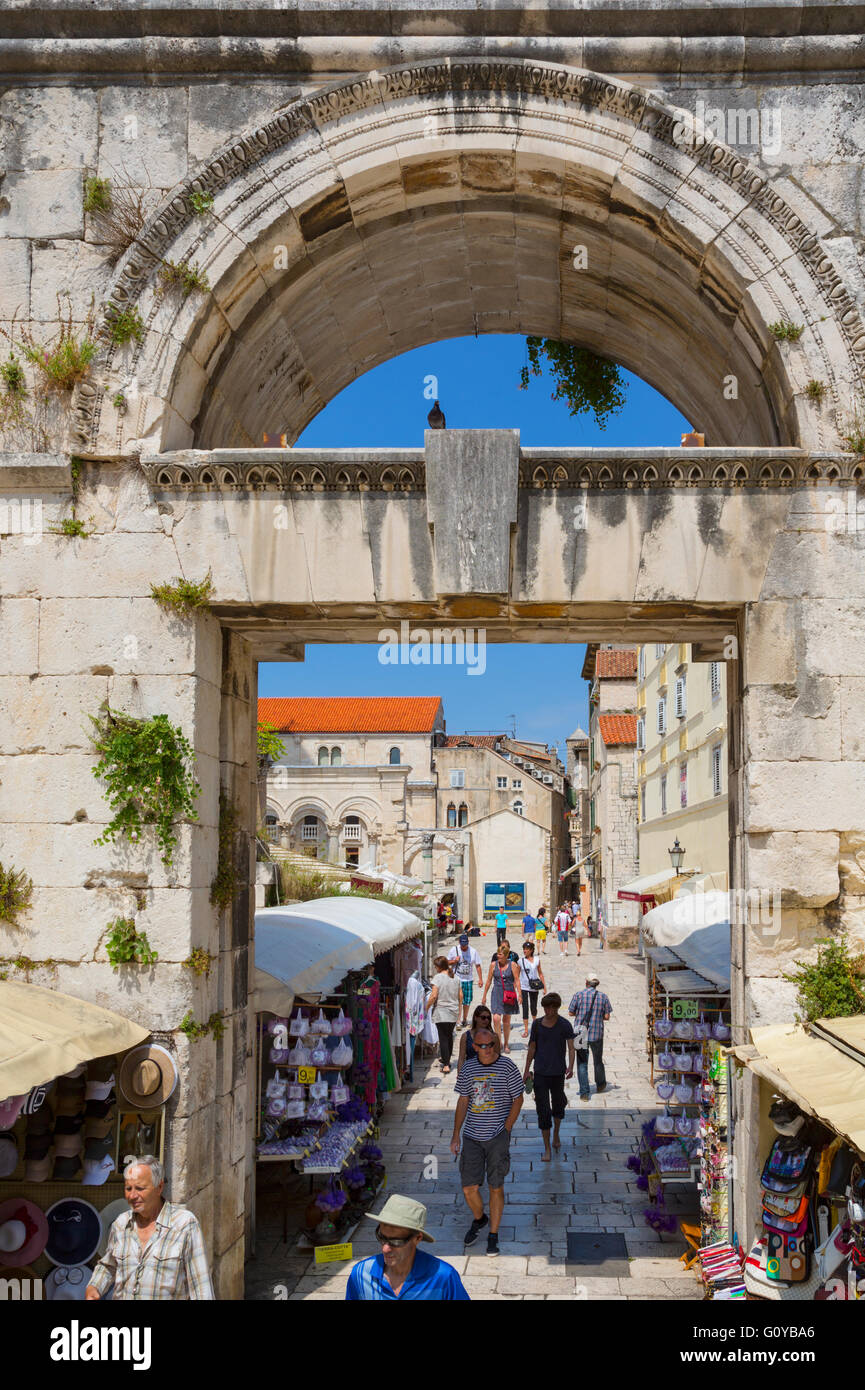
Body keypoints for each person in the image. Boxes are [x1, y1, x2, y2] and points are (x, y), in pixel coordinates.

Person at [85, 1155, 213, 1300]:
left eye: (140, 1188)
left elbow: (201, 1287)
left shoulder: (184, 1225)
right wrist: (94, 1286)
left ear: (159, 1187)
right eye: (128, 1188)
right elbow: (109, 1265)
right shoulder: (121, 1224)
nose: (132, 1195)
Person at [451, 1029, 524, 1256]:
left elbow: (518, 1098)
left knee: (495, 1186)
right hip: (472, 1135)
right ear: (475, 1047)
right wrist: (456, 1134)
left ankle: (493, 1235)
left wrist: (507, 1128)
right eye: (483, 1045)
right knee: (469, 1188)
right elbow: (463, 1100)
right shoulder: (469, 1069)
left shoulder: (507, 1067)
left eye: (491, 1044)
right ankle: (480, 1218)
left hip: (497, 1137)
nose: (488, 1049)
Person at [346, 1194, 470, 1300]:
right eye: (382, 1238)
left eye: (396, 1242)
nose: (385, 1249)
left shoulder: (443, 1277)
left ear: (418, 1238)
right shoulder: (360, 1274)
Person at [523, 993, 575, 1161]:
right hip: (540, 1073)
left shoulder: (564, 1025)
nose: (547, 1010)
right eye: (545, 1007)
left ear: (556, 1008)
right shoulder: (537, 1025)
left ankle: (556, 1134)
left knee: (559, 1104)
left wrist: (571, 1066)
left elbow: (571, 1047)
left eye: (550, 1007)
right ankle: (547, 1148)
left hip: (558, 1072)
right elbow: (532, 1048)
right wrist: (526, 1070)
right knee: (543, 1110)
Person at [568, 973, 613, 1101]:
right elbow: (607, 1017)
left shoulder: (578, 995)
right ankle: (600, 1084)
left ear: (586, 982)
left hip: (580, 1034)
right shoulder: (603, 997)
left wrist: (581, 1013)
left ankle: (584, 1093)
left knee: (582, 1063)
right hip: (597, 1033)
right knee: (598, 1060)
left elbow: (571, 1012)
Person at [482, 941, 521, 1054]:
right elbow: (489, 981)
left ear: (506, 956)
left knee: (506, 1020)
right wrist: (484, 995)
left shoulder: (512, 965)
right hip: (497, 993)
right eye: (497, 954)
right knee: (496, 1019)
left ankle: (507, 1043)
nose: (498, 956)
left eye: (500, 954)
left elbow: (517, 980)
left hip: (509, 993)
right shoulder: (493, 965)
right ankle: (498, 1042)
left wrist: (520, 994)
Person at [427, 955, 460, 1074]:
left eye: (436, 967)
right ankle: (447, 1059)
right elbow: (460, 995)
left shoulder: (438, 978)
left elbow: (434, 996)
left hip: (441, 1012)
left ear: (439, 967)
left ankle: (446, 1064)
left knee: (443, 1038)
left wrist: (426, 1008)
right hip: (453, 1011)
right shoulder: (455, 978)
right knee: (449, 1036)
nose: (435, 969)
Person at [447, 932, 484, 1028]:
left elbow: (478, 965)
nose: (464, 947)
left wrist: (480, 979)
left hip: (468, 979)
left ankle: (464, 1019)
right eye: (462, 945)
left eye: (465, 944)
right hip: (457, 979)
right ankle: (457, 1020)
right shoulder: (454, 950)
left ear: (468, 942)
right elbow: (446, 962)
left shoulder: (473, 951)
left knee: (467, 1001)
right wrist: (454, 961)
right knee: (458, 1000)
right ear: (459, 942)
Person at [518, 939, 546, 1038]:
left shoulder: (537, 960)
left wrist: (544, 986)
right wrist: (519, 993)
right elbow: (516, 978)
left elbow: (540, 973)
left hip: (534, 987)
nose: (525, 950)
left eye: (527, 949)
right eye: (524, 949)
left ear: (531, 950)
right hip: (524, 987)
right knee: (525, 1008)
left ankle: (535, 1026)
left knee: (533, 1008)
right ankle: (526, 1029)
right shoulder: (520, 961)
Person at [456, 1004, 493, 1072]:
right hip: (471, 1072)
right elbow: (461, 1058)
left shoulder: (493, 1036)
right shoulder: (465, 1036)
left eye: (488, 1018)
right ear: (475, 1018)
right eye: (483, 1017)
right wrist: (459, 1076)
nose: (486, 1020)